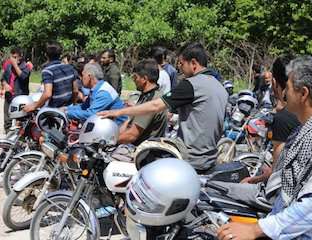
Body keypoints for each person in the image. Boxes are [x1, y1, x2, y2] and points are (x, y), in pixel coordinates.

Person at [217, 56, 312, 240]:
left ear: (304, 94)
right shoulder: (302, 129)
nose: (284, 93)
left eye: (289, 88)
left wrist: (256, 230)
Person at [99, 43, 228, 172]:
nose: (179, 68)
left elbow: (155, 105)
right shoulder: (219, 86)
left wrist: (118, 112)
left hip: (189, 157)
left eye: (181, 63)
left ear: (193, 63)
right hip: (209, 157)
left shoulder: (192, 85)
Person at [241, 56, 300, 184]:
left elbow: (277, 174)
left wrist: (253, 180)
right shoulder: (301, 115)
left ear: (274, 82)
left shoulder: (282, 119)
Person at [118, 59, 167, 145]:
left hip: (144, 152)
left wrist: (109, 140)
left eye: (135, 77)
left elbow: (132, 135)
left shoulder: (152, 100)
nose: (134, 80)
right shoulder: (148, 95)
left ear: (144, 79)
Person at [23, 41, 79, 112]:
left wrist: (35, 106)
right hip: (69, 108)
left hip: (55, 111)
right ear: (60, 54)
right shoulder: (70, 68)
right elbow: (75, 91)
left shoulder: (47, 71)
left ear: (46, 55)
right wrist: (73, 104)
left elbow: (47, 94)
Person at [0, 47, 31, 133]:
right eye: (12, 57)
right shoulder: (8, 65)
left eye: (15, 57)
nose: (13, 59)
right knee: (7, 121)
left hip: (20, 97)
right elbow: (3, 78)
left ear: (20, 56)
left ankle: (19, 141)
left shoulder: (26, 66)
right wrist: (5, 85)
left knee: (20, 122)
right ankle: (7, 138)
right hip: (9, 96)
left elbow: (23, 77)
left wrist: (15, 65)